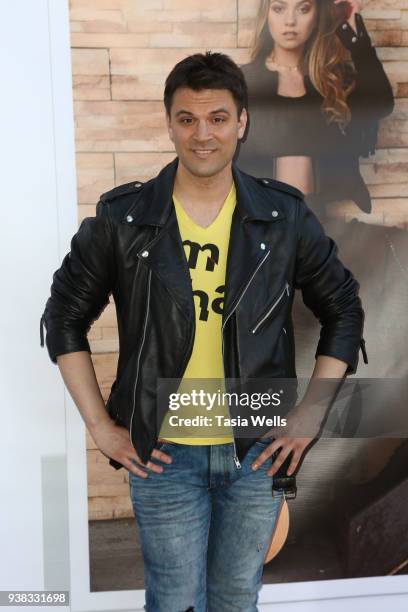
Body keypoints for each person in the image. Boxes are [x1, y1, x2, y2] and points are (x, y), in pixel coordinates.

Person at [40, 51, 365, 612]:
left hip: (255, 450)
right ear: (169, 123)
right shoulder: (124, 219)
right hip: (165, 453)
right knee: (172, 602)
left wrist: (310, 417)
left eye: (217, 117)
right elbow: (63, 318)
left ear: (242, 122)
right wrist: (101, 426)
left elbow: (344, 309)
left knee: (237, 599)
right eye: (187, 119)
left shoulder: (282, 216)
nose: (202, 134)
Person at [238, 0, 408, 378]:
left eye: (303, 9)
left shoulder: (331, 78)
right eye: (279, 9)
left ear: (318, 15)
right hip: (261, 225)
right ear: (266, 15)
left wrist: (352, 26)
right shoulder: (243, 81)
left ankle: (328, 418)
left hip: (319, 222)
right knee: (264, 335)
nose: (290, 22)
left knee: (334, 325)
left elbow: (379, 101)